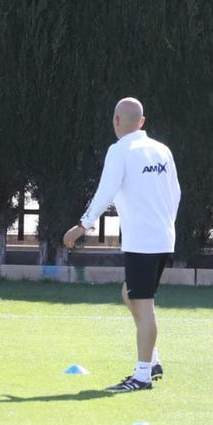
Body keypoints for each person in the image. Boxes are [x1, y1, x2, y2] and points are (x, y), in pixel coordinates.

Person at [63, 98, 181, 392]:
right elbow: (176, 193)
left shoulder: (120, 151)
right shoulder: (162, 150)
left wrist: (81, 227)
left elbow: (105, 192)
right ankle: (152, 360)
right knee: (130, 295)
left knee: (143, 304)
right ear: (141, 122)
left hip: (142, 241)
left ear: (116, 120)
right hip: (163, 238)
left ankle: (142, 376)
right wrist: (166, 226)